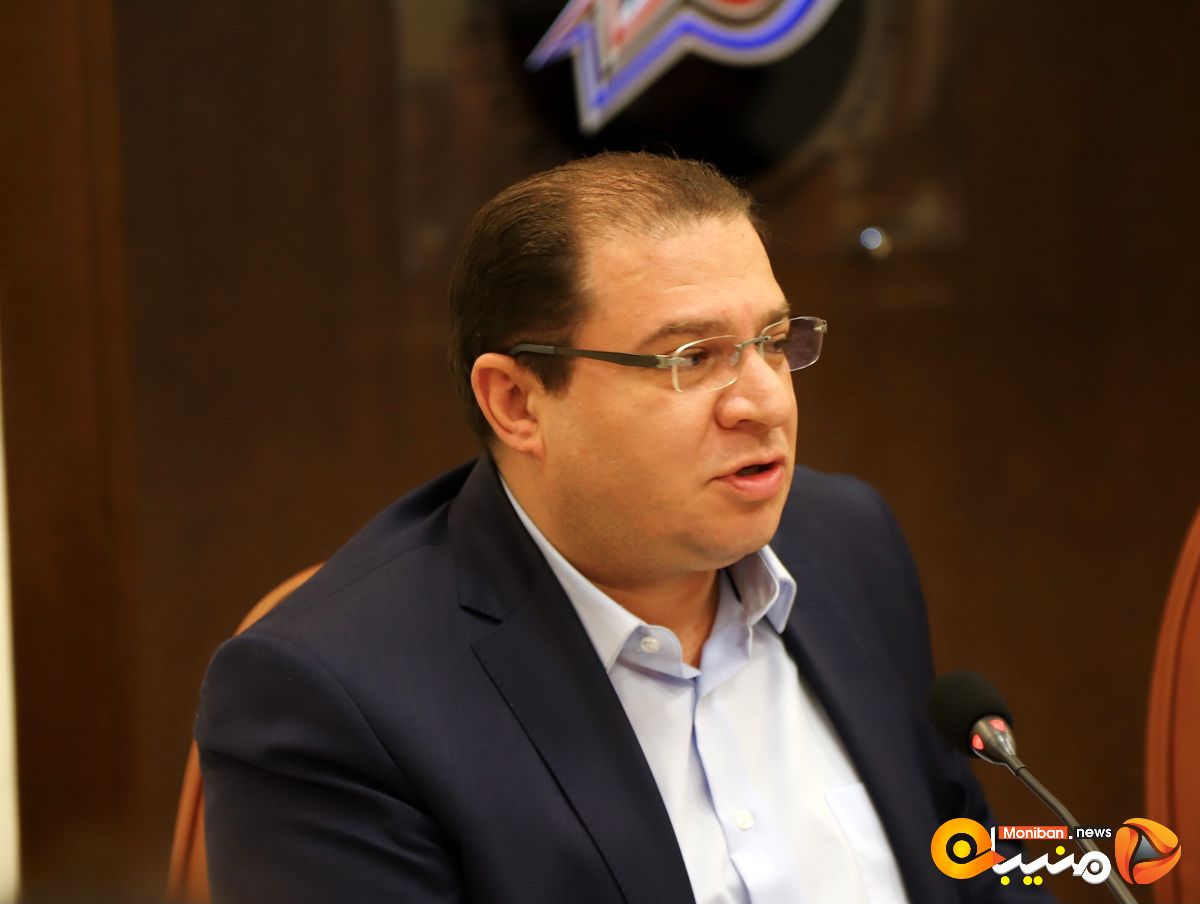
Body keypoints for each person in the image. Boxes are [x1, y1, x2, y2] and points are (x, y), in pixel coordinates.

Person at [197, 153, 1043, 903]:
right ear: (517, 402)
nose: (765, 402)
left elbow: (970, 860)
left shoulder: (848, 542)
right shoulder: (336, 698)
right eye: (692, 357)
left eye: (773, 341)